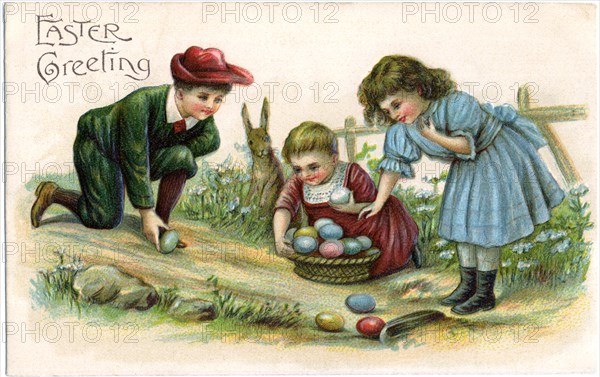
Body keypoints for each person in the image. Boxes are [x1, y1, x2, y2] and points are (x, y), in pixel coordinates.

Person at [357, 55, 565, 314]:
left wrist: (432, 135)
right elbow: (392, 165)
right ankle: (468, 285)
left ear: (418, 89)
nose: (394, 114)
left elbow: (467, 146)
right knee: (462, 225)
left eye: (397, 104)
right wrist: (379, 202)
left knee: (485, 229)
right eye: (387, 110)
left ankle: (485, 293)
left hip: (495, 157)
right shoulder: (404, 127)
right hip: (466, 167)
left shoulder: (456, 104)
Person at [31, 46, 254, 251]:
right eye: (203, 97)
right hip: (100, 146)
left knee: (183, 156)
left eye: (218, 100)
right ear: (179, 93)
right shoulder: (141, 104)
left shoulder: (200, 116)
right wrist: (145, 212)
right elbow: (135, 155)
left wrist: (173, 153)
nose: (210, 106)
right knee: (103, 219)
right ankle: (53, 193)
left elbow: (211, 140)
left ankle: (162, 225)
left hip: (140, 153)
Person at [273, 121, 420, 278]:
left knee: (381, 237)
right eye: (297, 169)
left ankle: (407, 251)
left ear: (334, 160)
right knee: (317, 245)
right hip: (330, 237)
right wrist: (279, 238)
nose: (305, 175)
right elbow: (284, 206)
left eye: (313, 167)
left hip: (364, 228)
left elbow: (374, 205)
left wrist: (354, 208)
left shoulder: (352, 173)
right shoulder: (297, 181)